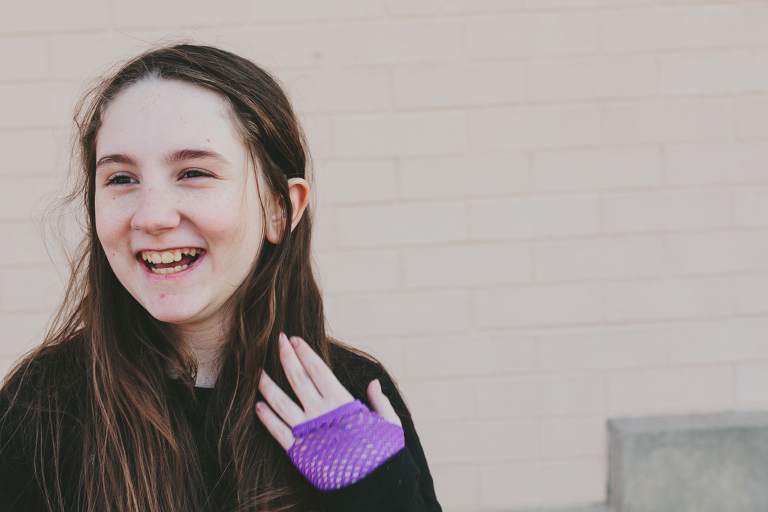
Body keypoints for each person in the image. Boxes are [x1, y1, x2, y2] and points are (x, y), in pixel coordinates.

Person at [0, 44, 441, 512]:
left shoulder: (350, 404)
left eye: (193, 172)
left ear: (280, 209)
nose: (151, 216)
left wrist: (380, 492)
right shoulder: (40, 407)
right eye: (121, 179)